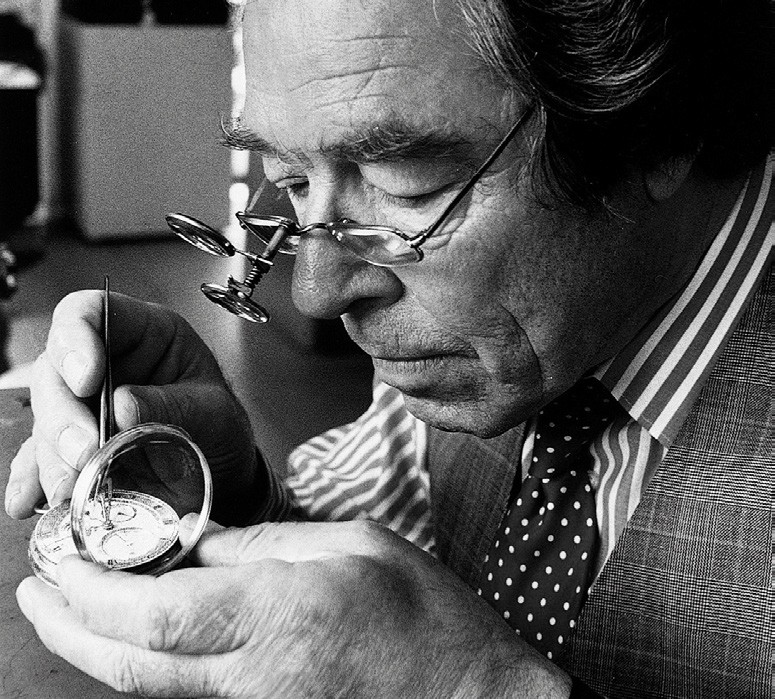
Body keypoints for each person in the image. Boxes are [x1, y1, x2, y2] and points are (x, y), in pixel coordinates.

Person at [5, 0, 773, 696]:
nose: (318, 290)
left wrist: (479, 689)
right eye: (291, 181)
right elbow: (379, 518)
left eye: (403, 186)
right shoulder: (474, 351)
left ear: (655, 131)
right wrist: (238, 496)